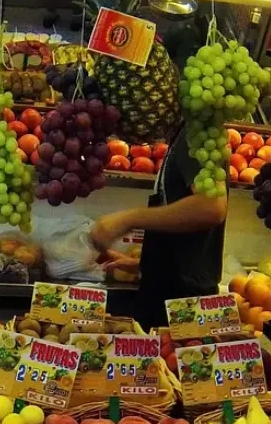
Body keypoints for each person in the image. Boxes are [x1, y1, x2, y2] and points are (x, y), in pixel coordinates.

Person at [90, 127, 227, 329]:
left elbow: (211, 206)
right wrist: (143, 264)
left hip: (180, 305)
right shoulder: (183, 136)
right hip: (174, 299)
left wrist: (128, 219)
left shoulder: (195, 133)